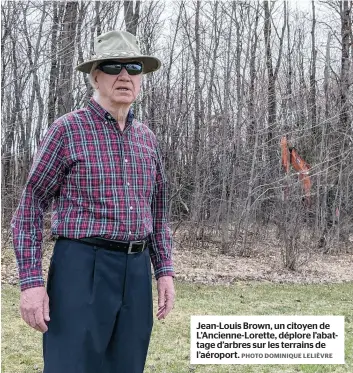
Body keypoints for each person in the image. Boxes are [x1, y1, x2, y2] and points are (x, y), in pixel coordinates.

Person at [11, 30, 175, 373]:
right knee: (71, 366)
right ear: (96, 76)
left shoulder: (147, 139)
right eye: (114, 66)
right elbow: (30, 207)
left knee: (127, 366)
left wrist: (164, 271)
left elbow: (158, 212)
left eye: (133, 67)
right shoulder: (67, 130)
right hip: (81, 266)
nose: (125, 75)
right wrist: (31, 282)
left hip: (136, 270)